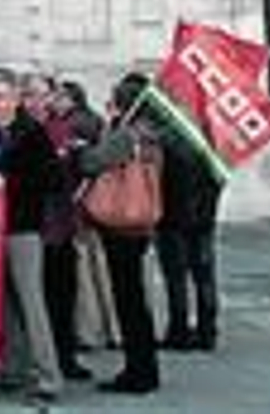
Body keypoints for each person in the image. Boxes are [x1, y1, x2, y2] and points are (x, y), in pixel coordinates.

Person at [0, 69, 62, 405]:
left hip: (23, 229)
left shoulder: (34, 134)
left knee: (31, 303)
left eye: (2, 97)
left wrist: (9, 183)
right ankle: (13, 370)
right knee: (4, 305)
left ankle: (48, 377)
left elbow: (52, 180)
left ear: (16, 100)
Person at [79, 73, 161, 394]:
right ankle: (144, 368)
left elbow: (93, 162)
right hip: (140, 224)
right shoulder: (151, 134)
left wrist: (85, 148)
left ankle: (138, 372)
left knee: (129, 301)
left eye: (113, 100)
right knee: (135, 301)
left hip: (122, 225)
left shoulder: (128, 135)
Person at [39, 77, 102, 383]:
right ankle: (43, 359)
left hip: (62, 226)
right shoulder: (23, 132)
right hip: (33, 227)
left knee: (64, 296)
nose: (38, 101)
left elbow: (86, 168)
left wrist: (83, 156)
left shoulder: (65, 130)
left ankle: (66, 357)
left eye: (43, 95)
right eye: (31, 95)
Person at [157, 93, 223, 353]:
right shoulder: (211, 146)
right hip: (203, 220)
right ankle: (208, 331)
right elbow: (218, 183)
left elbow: (162, 184)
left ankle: (179, 331)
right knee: (204, 275)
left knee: (177, 277)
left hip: (174, 220)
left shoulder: (169, 142)